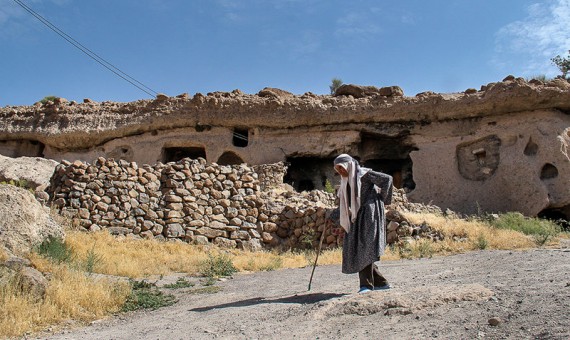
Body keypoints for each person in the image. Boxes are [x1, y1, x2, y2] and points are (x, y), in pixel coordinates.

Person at [330, 154, 393, 294]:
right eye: (338, 169)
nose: (340, 171)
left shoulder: (364, 174)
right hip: (355, 218)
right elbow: (345, 203)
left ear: (349, 165)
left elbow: (387, 179)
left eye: (342, 167)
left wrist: (381, 199)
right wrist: (332, 216)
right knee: (358, 249)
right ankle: (381, 283)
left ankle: (366, 285)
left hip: (369, 215)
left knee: (365, 247)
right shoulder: (345, 182)